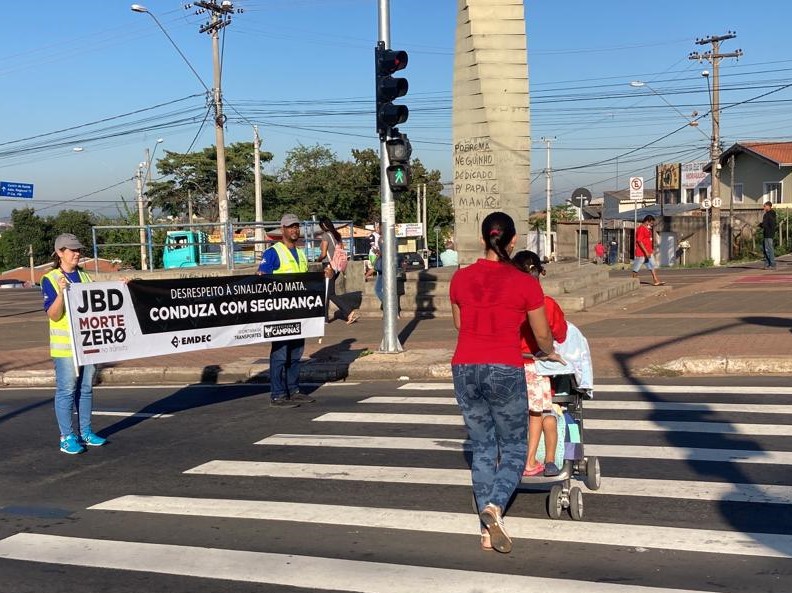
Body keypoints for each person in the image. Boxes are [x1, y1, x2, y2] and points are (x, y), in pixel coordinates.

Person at [450, 212, 559, 554]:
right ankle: (495, 506)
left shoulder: (460, 278)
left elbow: (459, 324)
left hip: (465, 366)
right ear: (513, 241)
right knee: (513, 447)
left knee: (482, 448)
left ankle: (486, 532)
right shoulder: (525, 283)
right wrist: (550, 353)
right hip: (504, 367)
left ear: (484, 239)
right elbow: (542, 335)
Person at [42, 233, 107, 454]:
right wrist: (61, 293)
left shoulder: (85, 277)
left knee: (86, 388)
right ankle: (67, 436)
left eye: (78, 250)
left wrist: (123, 287)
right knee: (67, 389)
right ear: (60, 253)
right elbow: (53, 314)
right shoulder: (50, 278)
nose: (77, 253)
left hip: (87, 343)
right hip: (65, 346)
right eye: (72, 250)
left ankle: (86, 432)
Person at [512, 250, 568, 478]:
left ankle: (508, 459)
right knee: (537, 414)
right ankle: (530, 460)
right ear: (539, 273)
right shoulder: (546, 304)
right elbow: (560, 334)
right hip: (534, 366)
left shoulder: (507, 305)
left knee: (512, 416)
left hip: (507, 365)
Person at [257, 213, 316, 408]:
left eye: (297, 227)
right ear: (282, 229)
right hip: (281, 313)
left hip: (299, 313)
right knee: (281, 354)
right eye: (291, 227)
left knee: (296, 354)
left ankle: (294, 390)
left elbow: (307, 281)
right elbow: (262, 278)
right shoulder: (274, 252)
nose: (295, 230)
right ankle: (278, 394)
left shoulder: (300, 253)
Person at [317, 217, 359, 324]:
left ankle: (349, 311)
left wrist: (318, 259)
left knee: (329, 294)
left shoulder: (326, 236)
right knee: (327, 292)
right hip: (336, 267)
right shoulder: (337, 235)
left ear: (323, 226)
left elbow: (323, 253)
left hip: (328, 266)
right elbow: (341, 250)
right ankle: (325, 318)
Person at [632, 215, 664, 286]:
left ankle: (656, 280)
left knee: (652, 265)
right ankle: (633, 280)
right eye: (651, 223)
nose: (652, 225)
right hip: (641, 252)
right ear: (647, 221)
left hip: (649, 251)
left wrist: (650, 250)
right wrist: (646, 252)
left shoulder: (648, 229)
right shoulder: (641, 229)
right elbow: (639, 241)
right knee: (637, 267)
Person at [760, 201, 777, 270]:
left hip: (769, 234)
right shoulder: (769, 214)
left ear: (768, 206)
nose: (764, 207)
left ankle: (772, 264)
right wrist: (761, 225)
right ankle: (767, 264)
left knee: (769, 249)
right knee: (766, 249)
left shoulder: (769, 214)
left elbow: (769, 224)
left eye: (765, 206)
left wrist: (763, 225)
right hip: (767, 233)